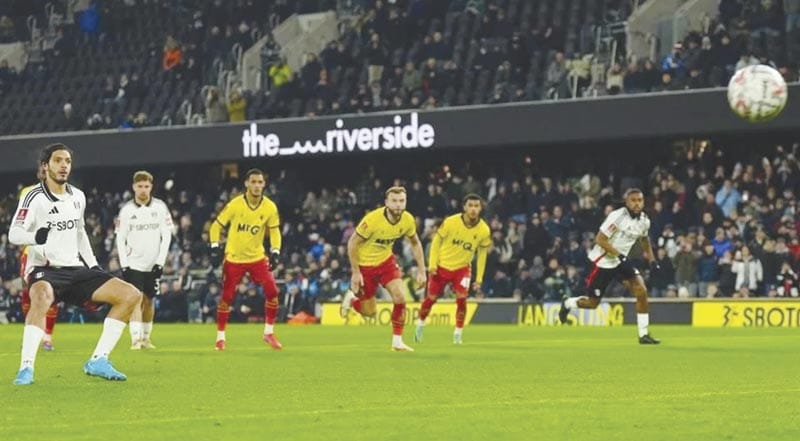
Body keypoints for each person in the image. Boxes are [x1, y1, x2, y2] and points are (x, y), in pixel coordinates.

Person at [9, 143, 142, 385]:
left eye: (67, 161)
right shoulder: (33, 197)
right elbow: (14, 234)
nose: (63, 166)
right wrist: (34, 237)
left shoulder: (77, 196)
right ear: (45, 166)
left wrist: (92, 266)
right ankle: (26, 368)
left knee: (130, 295)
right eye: (58, 160)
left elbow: (80, 233)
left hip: (75, 269)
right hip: (45, 270)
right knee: (40, 298)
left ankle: (98, 360)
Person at [558, 188, 661, 344]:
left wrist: (652, 259)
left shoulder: (644, 220)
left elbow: (644, 240)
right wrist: (619, 254)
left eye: (640, 200)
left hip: (621, 262)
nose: (637, 203)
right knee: (593, 304)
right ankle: (567, 303)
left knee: (641, 291)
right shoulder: (617, 217)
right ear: (627, 202)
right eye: (633, 200)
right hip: (602, 263)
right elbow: (600, 240)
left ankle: (644, 335)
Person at [340, 186, 427, 351]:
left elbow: (415, 242)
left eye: (401, 201)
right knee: (370, 313)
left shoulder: (408, 220)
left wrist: (422, 270)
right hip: (365, 267)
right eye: (394, 201)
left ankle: (397, 341)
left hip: (386, 262)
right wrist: (356, 272)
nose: (398, 205)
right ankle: (352, 299)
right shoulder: (372, 220)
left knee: (400, 297)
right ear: (386, 202)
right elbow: (352, 243)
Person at [209, 169, 282, 351]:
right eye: (254, 182)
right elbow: (216, 226)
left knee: (272, 292)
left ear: (264, 184)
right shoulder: (235, 204)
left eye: (260, 182)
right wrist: (215, 247)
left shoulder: (270, 207)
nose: (257, 186)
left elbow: (274, 231)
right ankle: (220, 337)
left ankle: (269, 333)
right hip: (234, 258)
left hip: (257, 257)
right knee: (227, 297)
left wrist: (275, 251)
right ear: (246, 184)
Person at [415, 194, 491, 344]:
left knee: (462, 299)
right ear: (464, 207)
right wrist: (432, 264)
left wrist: (479, 278)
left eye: (476, 206)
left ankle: (458, 334)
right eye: (470, 205)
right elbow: (436, 241)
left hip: (462, 269)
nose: (473, 209)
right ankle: (420, 324)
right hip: (442, 266)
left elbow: (482, 254)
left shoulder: (484, 230)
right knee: (431, 299)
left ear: (481, 208)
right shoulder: (451, 222)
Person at [116, 171, 173, 350]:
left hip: (153, 264)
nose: (143, 190)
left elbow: (167, 235)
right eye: (139, 186)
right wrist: (124, 264)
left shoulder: (160, 207)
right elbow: (120, 238)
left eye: (146, 186)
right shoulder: (126, 211)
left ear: (151, 186)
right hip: (134, 263)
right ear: (134, 187)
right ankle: (136, 339)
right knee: (135, 299)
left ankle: (146, 338)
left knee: (149, 300)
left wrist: (160, 262)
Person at [19, 167, 60, 350]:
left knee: (53, 296)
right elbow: (22, 223)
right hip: (32, 251)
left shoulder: (66, 194)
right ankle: (30, 333)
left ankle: (47, 338)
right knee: (29, 294)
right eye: (43, 170)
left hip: (56, 252)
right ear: (39, 173)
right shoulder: (27, 193)